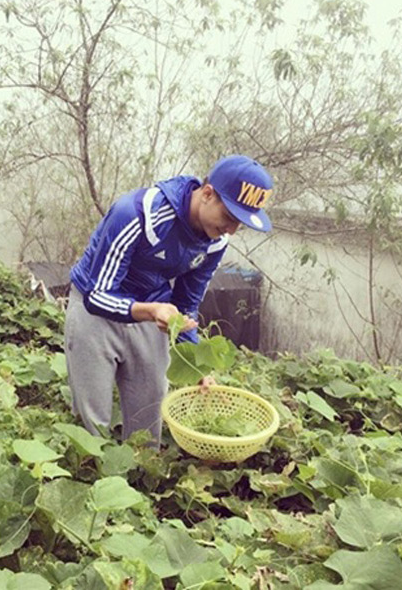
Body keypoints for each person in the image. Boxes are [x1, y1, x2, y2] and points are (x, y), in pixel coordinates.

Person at [64, 154, 274, 446]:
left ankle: (139, 481)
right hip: (96, 311)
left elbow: (187, 304)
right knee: (92, 422)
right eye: (229, 217)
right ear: (207, 194)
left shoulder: (215, 242)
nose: (231, 230)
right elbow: (97, 295)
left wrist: (197, 366)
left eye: (240, 224)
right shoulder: (137, 214)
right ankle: (91, 480)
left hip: (152, 311)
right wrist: (149, 311)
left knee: (148, 417)